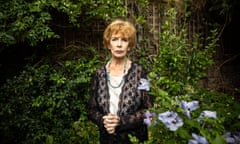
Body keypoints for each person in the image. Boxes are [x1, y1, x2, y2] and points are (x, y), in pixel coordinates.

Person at [88, 19, 153, 144]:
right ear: (108, 44)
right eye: (114, 39)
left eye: (124, 40)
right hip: (107, 139)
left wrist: (121, 122)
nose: (119, 45)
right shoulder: (99, 74)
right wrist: (103, 120)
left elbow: (148, 111)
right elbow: (91, 109)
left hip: (134, 139)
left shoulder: (139, 72)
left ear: (129, 46)